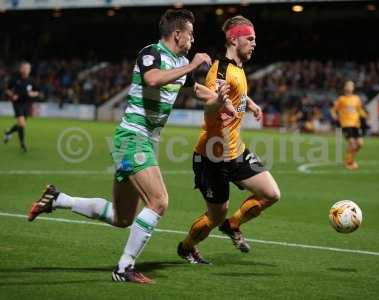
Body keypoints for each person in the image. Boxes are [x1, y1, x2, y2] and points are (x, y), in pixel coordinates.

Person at [27, 9, 232, 284]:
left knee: (122, 217)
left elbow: (203, 96)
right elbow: (152, 79)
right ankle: (124, 267)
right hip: (132, 138)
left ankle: (59, 199)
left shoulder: (179, 63)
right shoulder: (153, 53)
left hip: (141, 141)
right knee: (159, 202)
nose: (193, 40)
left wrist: (220, 99)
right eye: (191, 34)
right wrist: (193, 65)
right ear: (178, 34)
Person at [177, 15, 281, 264]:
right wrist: (219, 103)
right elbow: (209, 108)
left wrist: (251, 104)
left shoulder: (238, 67)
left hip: (236, 150)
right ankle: (187, 246)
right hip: (212, 156)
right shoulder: (219, 71)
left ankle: (232, 225)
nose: (255, 43)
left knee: (271, 193)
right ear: (234, 39)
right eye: (250, 38)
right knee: (215, 215)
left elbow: (237, 93)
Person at [3, 62, 39, 152]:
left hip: (26, 104)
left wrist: (33, 94)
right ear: (21, 69)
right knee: (22, 124)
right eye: (25, 68)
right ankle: (22, 144)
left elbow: (37, 91)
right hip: (17, 103)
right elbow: (7, 90)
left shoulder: (31, 80)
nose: (27, 70)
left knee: (20, 124)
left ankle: (8, 132)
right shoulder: (15, 79)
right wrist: (12, 95)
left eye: (28, 68)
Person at [331, 80, 367, 170]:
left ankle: (349, 159)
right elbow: (333, 110)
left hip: (356, 124)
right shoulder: (341, 99)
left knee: (360, 144)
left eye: (352, 85)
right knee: (352, 143)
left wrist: (365, 115)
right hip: (346, 124)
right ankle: (349, 162)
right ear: (345, 87)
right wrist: (335, 116)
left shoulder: (356, 98)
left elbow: (359, 110)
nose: (350, 87)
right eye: (348, 85)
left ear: (353, 88)